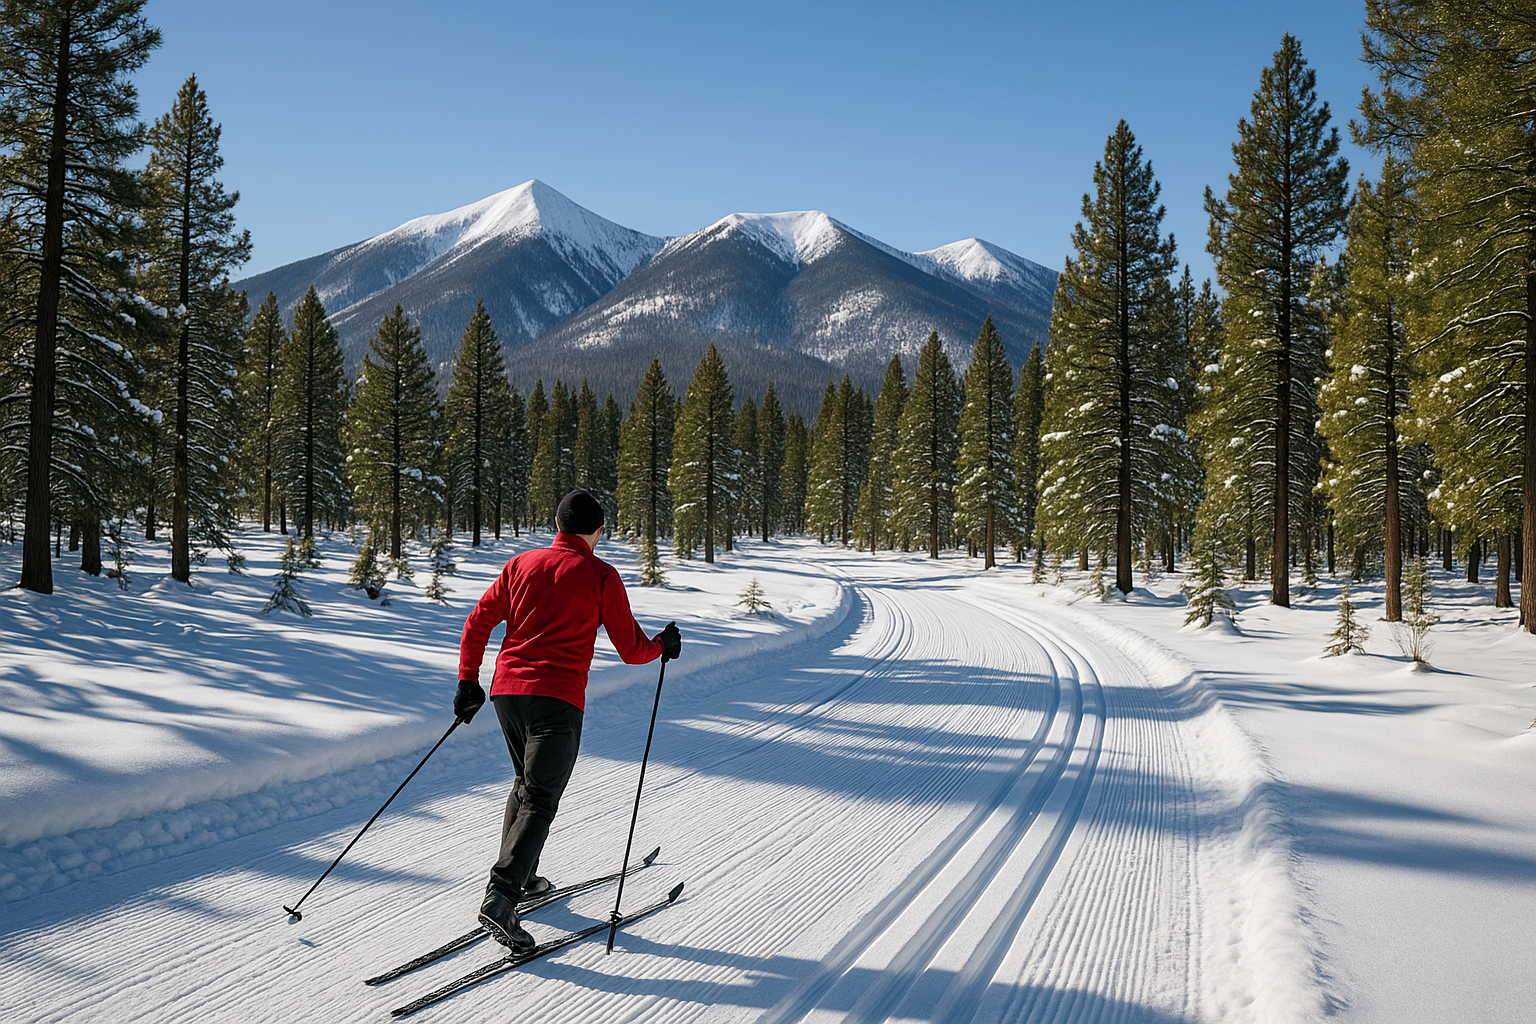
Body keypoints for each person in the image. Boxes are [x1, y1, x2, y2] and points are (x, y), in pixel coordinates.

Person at [454, 488, 682, 951]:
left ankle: (526, 875)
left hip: (507, 694)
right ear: (599, 532)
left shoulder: (520, 565)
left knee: (526, 785)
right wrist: (663, 646)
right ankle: (501, 897)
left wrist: (466, 682)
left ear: (558, 526)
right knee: (541, 796)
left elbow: (478, 621)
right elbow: (632, 649)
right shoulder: (600, 574)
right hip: (557, 700)